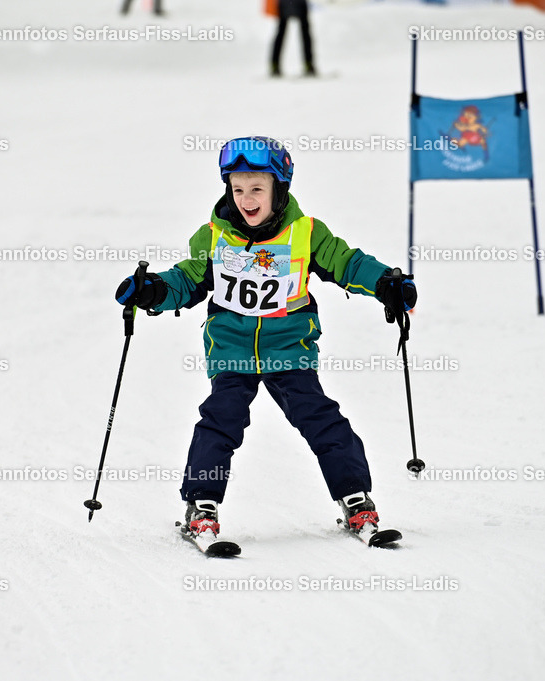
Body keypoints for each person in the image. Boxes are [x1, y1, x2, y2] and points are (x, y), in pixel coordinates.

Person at [114, 136, 417, 541]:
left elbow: (347, 263)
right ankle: (201, 506)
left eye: (257, 188)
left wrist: (384, 283)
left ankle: (356, 500)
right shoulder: (212, 237)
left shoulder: (306, 233)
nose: (247, 199)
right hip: (231, 350)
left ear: (279, 189)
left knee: (322, 419)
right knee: (221, 421)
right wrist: (153, 290)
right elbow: (187, 280)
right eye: (238, 189)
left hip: (289, 349)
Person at [270, 0, 316, 77]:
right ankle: (308, 64)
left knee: (281, 31)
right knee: (305, 32)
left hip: (285, 3)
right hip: (297, 3)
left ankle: (275, 65)